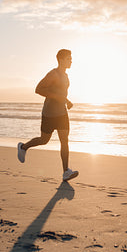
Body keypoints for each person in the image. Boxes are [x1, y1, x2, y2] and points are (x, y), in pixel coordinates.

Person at [17, 49, 79, 182]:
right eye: (69, 58)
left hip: (62, 113)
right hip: (50, 113)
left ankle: (65, 172)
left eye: (71, 58)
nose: (71, 60)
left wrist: (67, 101)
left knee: (64, 141)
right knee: (44, 140)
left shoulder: (66, 76)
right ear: (61, 60)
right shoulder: (53, 74)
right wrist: (57, 97)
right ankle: (23, 147)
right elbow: (38, 89)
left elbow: (60, 92)